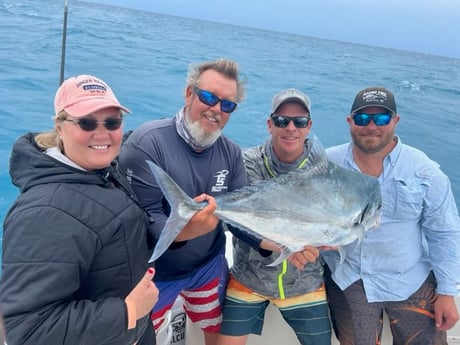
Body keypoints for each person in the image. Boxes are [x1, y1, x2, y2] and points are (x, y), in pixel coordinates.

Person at [0, 75, 159, 345]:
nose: (102, 133)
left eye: (112, 122)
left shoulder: (99, 172)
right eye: (86, 123)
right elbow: (26, 331)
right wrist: (128, 312)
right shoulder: (46, 212)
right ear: (60, 128)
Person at [118, 58, 263, 345]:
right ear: (189, 93)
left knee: (216, 329)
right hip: (155, 275)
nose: (216, 110)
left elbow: (240, 214)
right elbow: (143, 221)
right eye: (208, 97)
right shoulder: (147, 144)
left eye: (227, 105)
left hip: (207, 266)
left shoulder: (231, 153)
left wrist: (267, 242)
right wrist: (187, 231)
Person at [323, 86, 460, 345]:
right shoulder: (328, 163)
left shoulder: (425, 171)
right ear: (350, 121)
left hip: (411, 281)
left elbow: (444, 233)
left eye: (382, 118)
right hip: (351, 279)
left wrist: (446, 293)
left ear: (396, 121)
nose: (371, 126)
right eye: (363, 118)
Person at [217, 88, 332, 345]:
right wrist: (285, 246)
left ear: (309, 126)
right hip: (249, 278)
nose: (290, 127)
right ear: (270, 124)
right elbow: (239, 219)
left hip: (305, 283)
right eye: (282, 120)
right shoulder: (247, 161)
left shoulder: (322, 169)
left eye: (299, 121)